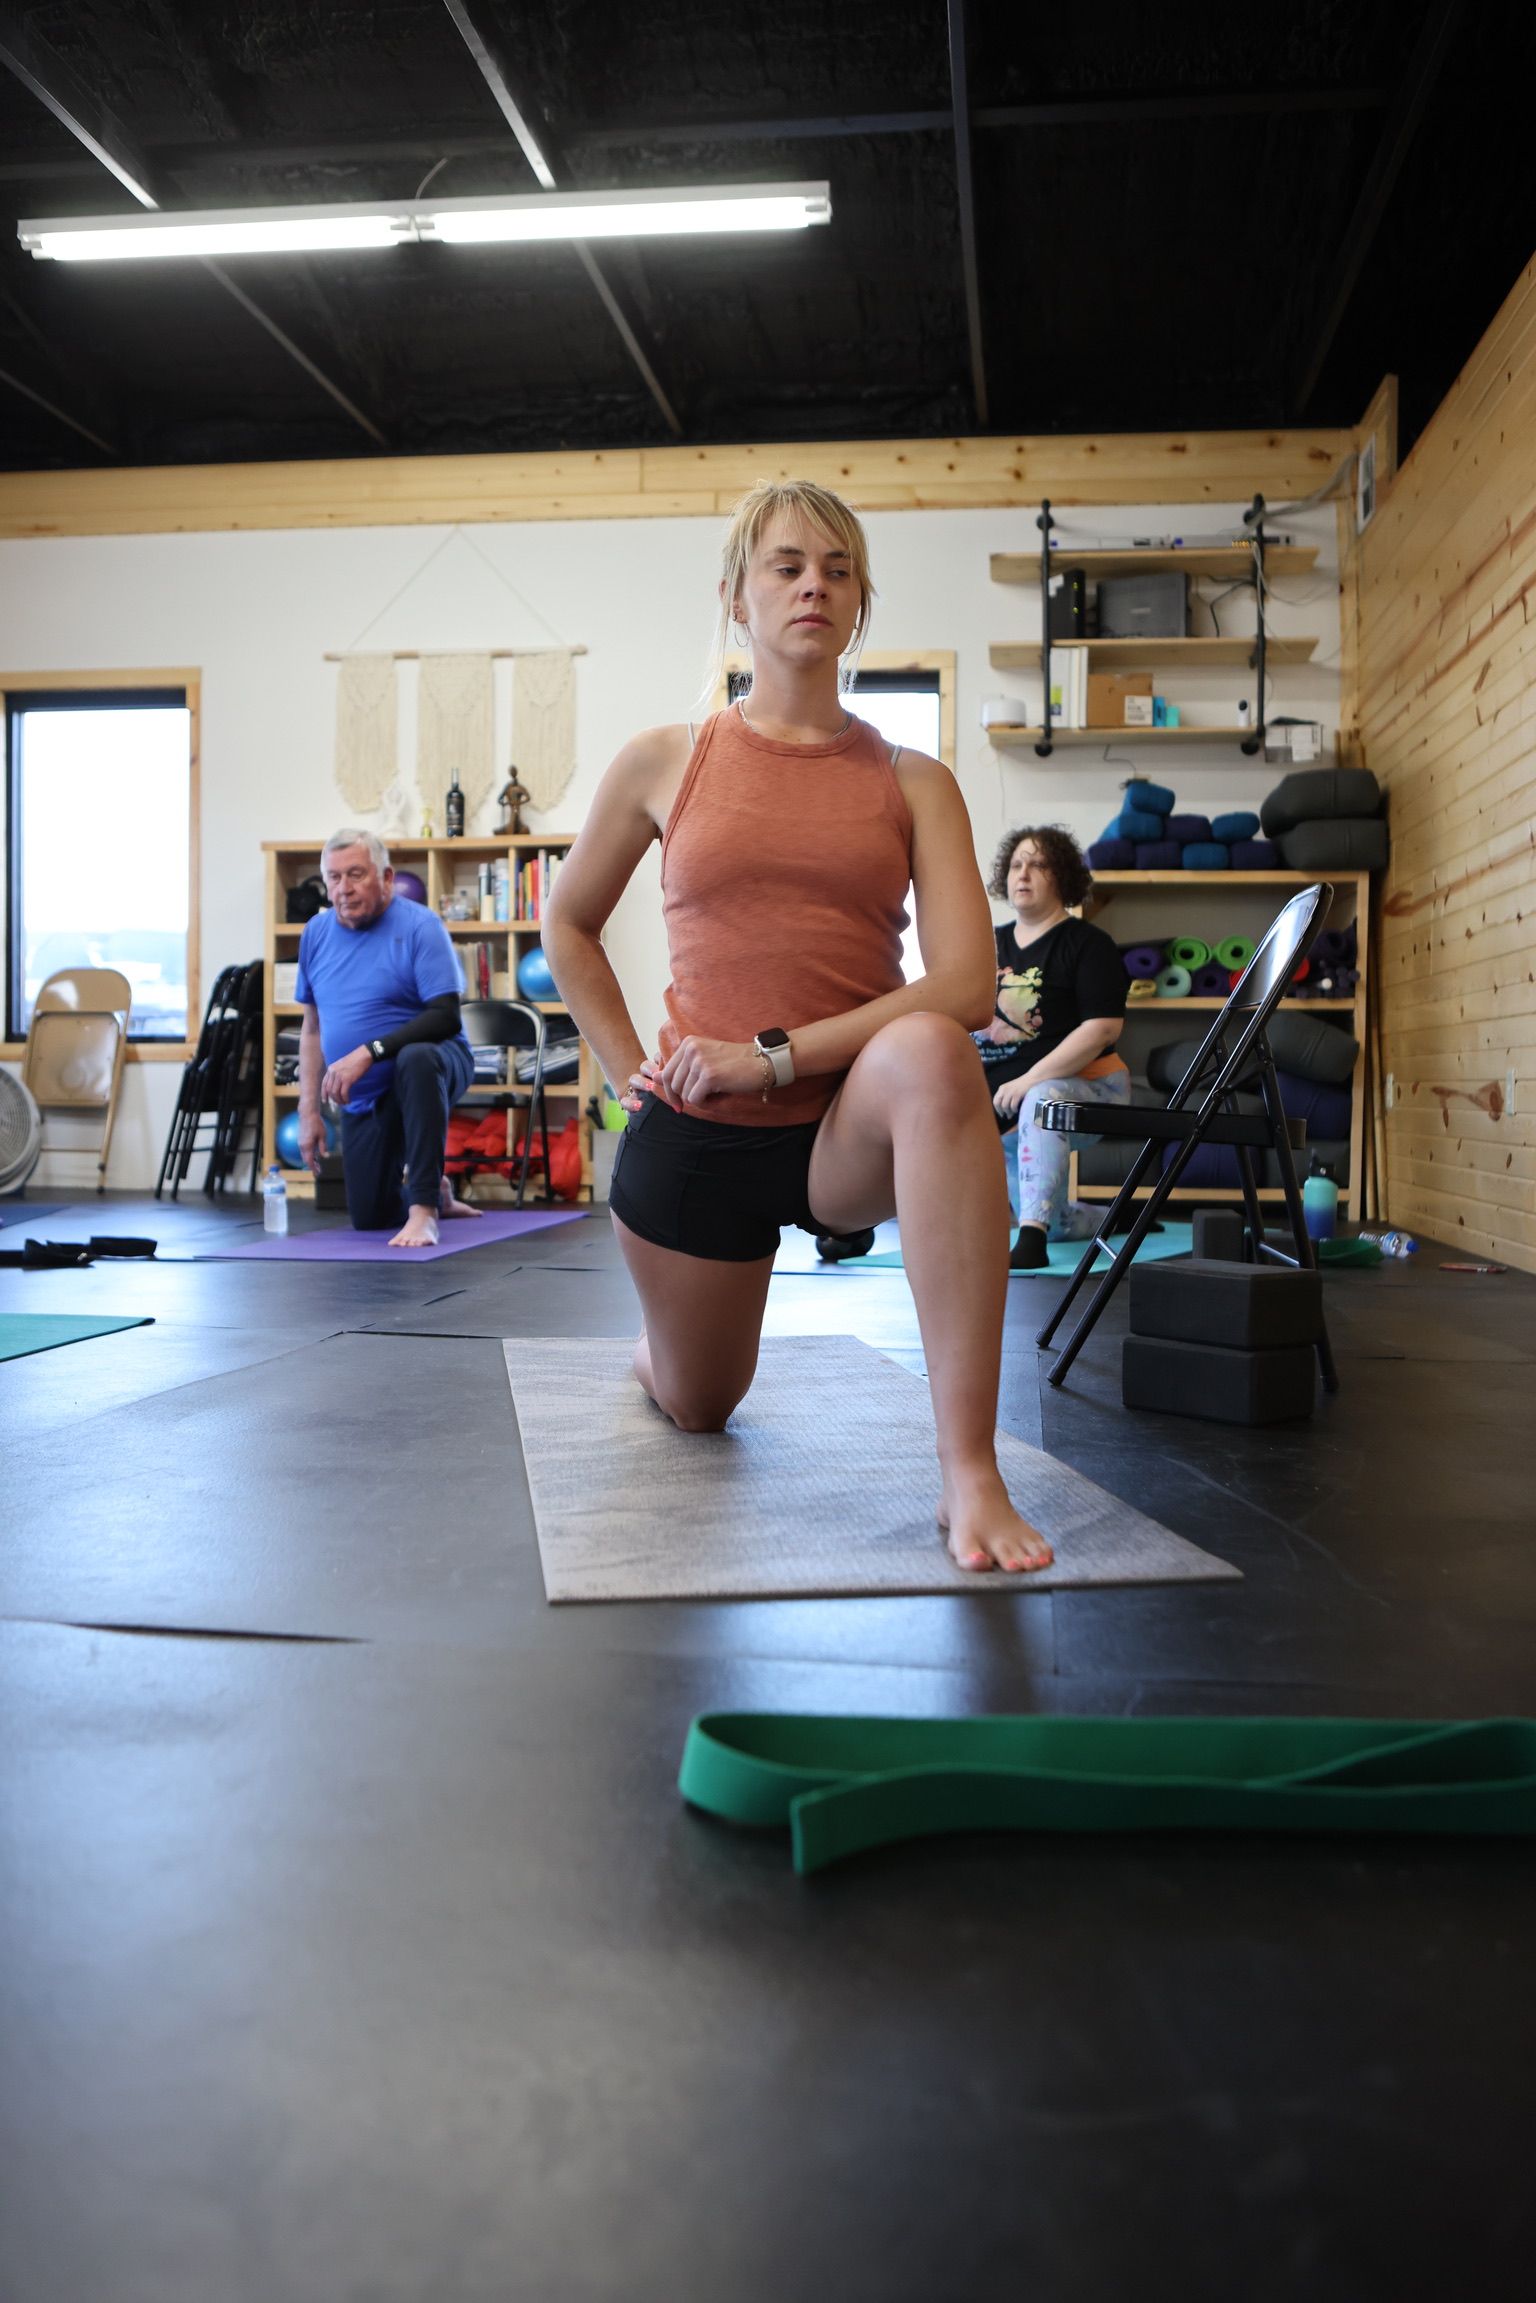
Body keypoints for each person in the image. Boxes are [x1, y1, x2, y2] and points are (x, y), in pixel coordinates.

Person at [543, 480, 1054, 1574]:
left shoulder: (914, 779)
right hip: (700, 1133)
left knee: (930, 1050)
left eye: (836, 568)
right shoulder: (664, 759)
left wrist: (772, 1055)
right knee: (700, 1408)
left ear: (860, 602)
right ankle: (660, 1352)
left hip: (840, 1135)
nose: (812, 584)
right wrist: (630, 1067)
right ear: (739, 594)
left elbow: (966, 982)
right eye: (786, 564)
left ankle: (969, 1467)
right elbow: (568, 925)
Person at [295, 829, 480, 1248]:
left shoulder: (421, 926)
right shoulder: (315, 934)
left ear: (387, 877)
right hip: (366, 1093)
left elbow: (445, 1017)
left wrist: (368, 1051)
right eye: (334, 878)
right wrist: (309, 1110)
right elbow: (312, 1028)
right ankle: (438, 1189)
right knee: (369, 1217)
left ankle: (425, 1210)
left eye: (356, 874)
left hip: (435, 1064)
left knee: (415, 1058)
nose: (344, 888)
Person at [976, 826, 1129, 1271]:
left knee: (1042, 1102)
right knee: (1055, 1220)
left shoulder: (1087, 944)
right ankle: (1120, 1215)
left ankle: (1030, 1243)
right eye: (1016, 864)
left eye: (1038, 865)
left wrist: (1028, 1081)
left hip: (1090, 1091)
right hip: (1002, 1107)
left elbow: (1102, 1029)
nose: (1023, 874)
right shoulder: (986, 944)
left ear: (1061, 876)